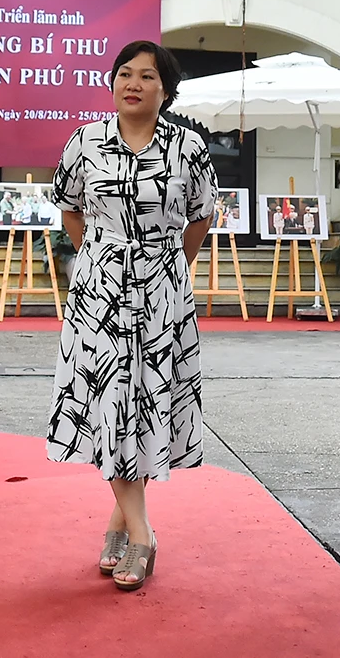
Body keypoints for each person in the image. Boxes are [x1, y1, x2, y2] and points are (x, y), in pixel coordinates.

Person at [47, 40, 217, 592]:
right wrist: (102, 255)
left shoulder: (187, 147)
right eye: (125, 73)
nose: (134, 83)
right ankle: (143, 534)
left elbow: (199, 217)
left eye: (147, 76)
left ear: (165, 89)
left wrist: (165, 263)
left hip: (163, 289)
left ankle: (122, 520)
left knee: (145, 402)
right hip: (98, 291)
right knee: (108, 401)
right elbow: (70, 207)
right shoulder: (86, 140)